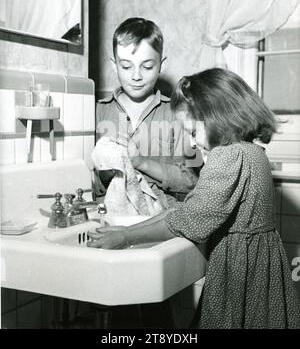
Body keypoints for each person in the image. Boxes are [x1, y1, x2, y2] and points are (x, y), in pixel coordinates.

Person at [88, 68, 300, 329]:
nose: (190, 141)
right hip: (260, 265)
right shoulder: (252, 151)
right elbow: (191, 208)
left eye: (192, 131)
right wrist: (128, 229)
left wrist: (127, 237)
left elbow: (190, 220)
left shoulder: (228, 157)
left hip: (240, 269)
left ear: (218, 118)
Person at [94, 17, 200, 207]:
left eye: (147, 66)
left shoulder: (177, 114)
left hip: (159, 220)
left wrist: (141, 163)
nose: (136, 76)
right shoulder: (99, 111)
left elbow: (192, 181)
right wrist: (108, 172)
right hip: (111, 215)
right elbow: (90, 185)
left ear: (162, 65)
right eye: (126, 66)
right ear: (114, 65)